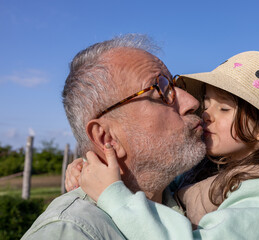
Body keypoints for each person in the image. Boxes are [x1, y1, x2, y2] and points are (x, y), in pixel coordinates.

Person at [70, 51, 259, 239]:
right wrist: (95, 167)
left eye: (224, 108)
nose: (205, 113)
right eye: (206, 104)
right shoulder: (203, 170)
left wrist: (113, 197)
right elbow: (164, 193)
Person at [21, 34, 206, 239]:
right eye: (162, 89)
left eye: (176, 86)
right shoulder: (70, 231)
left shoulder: (191, 193)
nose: (192, 102)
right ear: (106, 138)